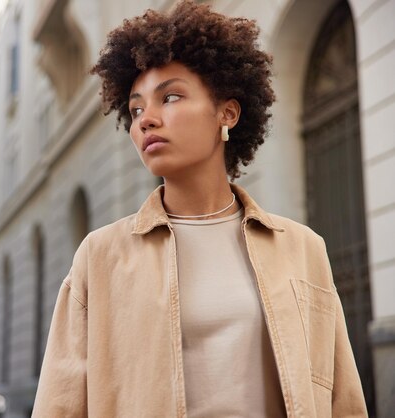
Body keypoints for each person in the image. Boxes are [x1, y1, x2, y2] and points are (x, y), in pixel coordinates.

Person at [32, 2, 367, 417]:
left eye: (169, 97)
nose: (146, 120)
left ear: (226, 112)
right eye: (136, 109)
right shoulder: (99, 257)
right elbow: (59, 407)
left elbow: (343, 401)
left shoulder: (303, 248)